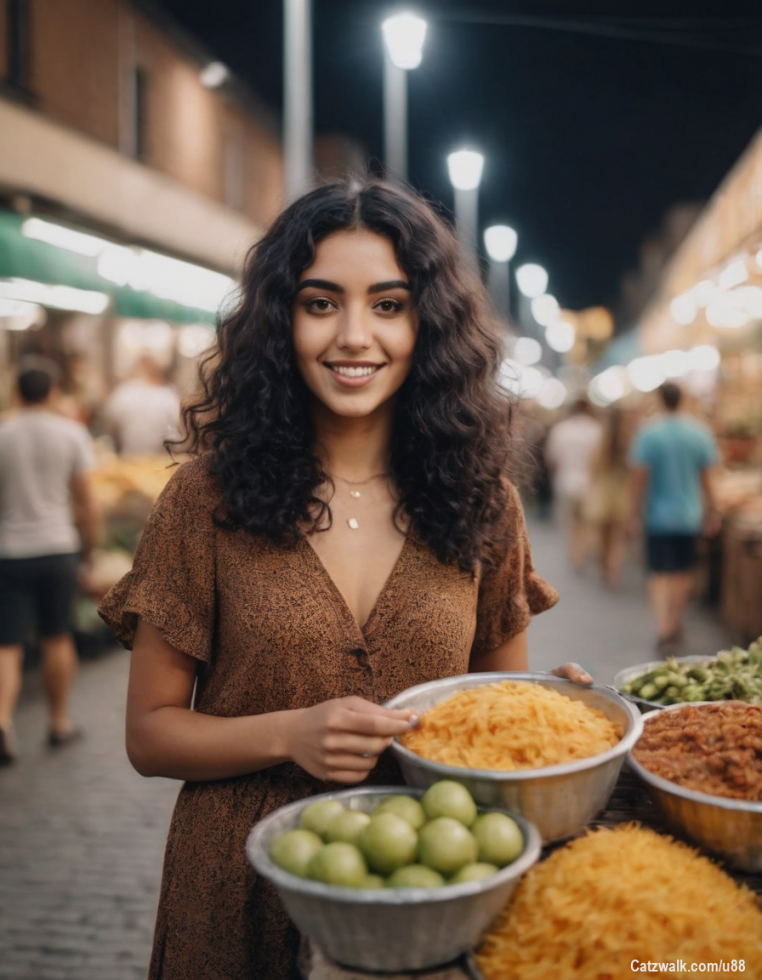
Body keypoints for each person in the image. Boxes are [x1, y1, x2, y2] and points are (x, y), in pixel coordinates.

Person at [98, 178, 590, 980]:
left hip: (427, 888)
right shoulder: (205, 497)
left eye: (389, 305)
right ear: (280, 320)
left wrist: (560, 722)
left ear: (429, 323)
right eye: (321, 303)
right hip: (234, 889)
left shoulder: (482, 503)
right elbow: (150, 735)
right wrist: (288, 733)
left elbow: (498, 720)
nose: (354, 336)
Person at [0, 357, 99, 765]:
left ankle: (3, 722)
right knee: (57, 637)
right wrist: (88, 549)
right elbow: (86, 500)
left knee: (6, 643)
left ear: (17, 391)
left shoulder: (2, 432)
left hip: (9, 551)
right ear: (53, 391)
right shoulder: (71, 433)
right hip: (58, 547)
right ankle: (59, 722)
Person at [629, 382, 720, 656]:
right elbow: (707, 479)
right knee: (683, 572)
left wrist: (633, 513)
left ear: (660, 399)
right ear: (683, 399)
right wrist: (713, 511)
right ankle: (673, 623)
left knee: (658, 573)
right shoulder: (699, 432)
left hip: (657, 516)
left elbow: (638, 479)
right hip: (689, 515)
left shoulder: (648, 432)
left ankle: (662, 627)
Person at [545, 398, 603, 571]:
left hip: (565, 480)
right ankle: (582, 552)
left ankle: (574, 553)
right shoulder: (597, 430)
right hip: (589, 483)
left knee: (570, 522)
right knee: (585, 522)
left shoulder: (561, 430)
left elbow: (552, 458)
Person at [584, 407, 632, 590]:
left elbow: (593, 469)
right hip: (621, 493)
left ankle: (605, 567)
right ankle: (614, 572)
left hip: (603, 493)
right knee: (618, 537)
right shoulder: (628, 443)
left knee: (604, 535)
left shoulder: (599, 442)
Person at [103, 354, 181, 456]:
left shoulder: (124, 391)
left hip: (131, 459)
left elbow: (111, 426)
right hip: (157, 461)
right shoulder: (168, 396)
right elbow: (177, 434)